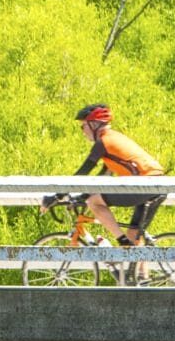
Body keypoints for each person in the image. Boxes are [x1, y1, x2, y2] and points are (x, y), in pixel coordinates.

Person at [46, 104, 165, 252]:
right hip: (159, 184)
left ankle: (121, 242)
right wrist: (82, 195)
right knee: (134, 235)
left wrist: (57, 195)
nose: (82, 131)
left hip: (144, 184)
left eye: (83, 126)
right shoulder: (114, 139)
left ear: (94, 124)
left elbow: (83, 172)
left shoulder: (103, 142)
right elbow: (102, 178)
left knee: (94, 202)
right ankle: (140, 274)